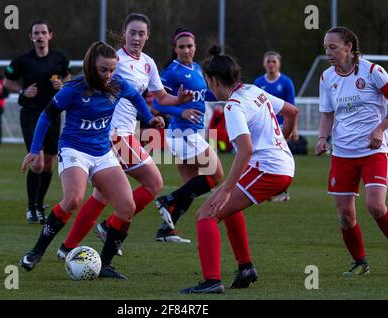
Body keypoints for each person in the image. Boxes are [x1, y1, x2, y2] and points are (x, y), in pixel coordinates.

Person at [19, 41, 165, 279]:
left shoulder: (117, 85)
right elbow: (46, 116)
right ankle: (36, 251)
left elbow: (137, 98)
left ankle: (104, 265)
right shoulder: (73, 88)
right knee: (73, 199)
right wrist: (35, 150)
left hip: (102, 152)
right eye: (103, 70)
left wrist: (149, 118)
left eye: (112, 70)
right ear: (90, 67)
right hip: (74, 149)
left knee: (126, 207)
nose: (109, 75)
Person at [57, 14, 194, 257]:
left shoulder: (148, 63)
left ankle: (67, 246)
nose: (137, 38)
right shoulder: (114, 60)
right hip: (114, 134)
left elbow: (161, 98)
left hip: (126, 133)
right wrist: (67, 86)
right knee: (154, 183)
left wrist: (179, 101)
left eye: (141, 33)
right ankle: (110, 226)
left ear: (148, 35)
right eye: (132, 32)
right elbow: (87, 79)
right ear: (124, 33)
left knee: (101, 194)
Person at [179, 45, 298, 294]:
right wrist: (284, 139)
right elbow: (292, 111)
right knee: (227, 209)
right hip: (278, 165)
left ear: (213, 80)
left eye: (207, 81)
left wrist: (227, 188)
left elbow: (245, 149)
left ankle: (211, 281)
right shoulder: (253, 90)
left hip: (269, 169)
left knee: (206, 214)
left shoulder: (233, 106)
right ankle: (245, 267)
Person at [315, 26, 388, 276]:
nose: (328, 52)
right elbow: (327, 114)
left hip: (373, 151)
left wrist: (380, 128)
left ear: (349, 47)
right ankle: (360, 262)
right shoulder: (326, 78)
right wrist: (322, 138)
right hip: (343, 153)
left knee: (376, 206)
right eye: (326, 47)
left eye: (332, 47)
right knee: (345, 216)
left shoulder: (372, 71)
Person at [151, 27, 224, 243]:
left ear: (195, 47)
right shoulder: (170, 73)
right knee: (217, 174)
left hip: (194, 132)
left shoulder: (197, 68)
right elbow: (156, 103)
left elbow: (203, 95)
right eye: (181, 47)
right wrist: (180, 111)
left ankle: (166, 230)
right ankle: (167, 200)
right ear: (175, 49)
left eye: (189, 46)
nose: (185, 50)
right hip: (182, 133)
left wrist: (225, 93)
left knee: (191, 187)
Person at [4, 20, 71, 224]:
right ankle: (31, 208)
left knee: (49, 163)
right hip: (32, 114)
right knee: (38, 162)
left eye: (43, 32)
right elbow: (7, 82)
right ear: (31, 36)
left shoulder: (60, 59)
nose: (40, 36)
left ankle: (39, 204)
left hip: (53, 113)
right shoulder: (21, 60)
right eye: (36, 33)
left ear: (50, 35)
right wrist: (22, 91)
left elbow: (69, 78)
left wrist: (62, 84)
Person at [254, 51, 297, 202]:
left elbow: (292, 107)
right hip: (263, 126)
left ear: (279, 63)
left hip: (281, 125)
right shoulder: (259, 82)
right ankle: (270, 189)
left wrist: (294, 128)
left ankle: (282, 191)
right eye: (268, 61)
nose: (271, 64)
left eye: (274, 61)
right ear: (264, 64)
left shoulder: (286, 82)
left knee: (280, 155)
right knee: (265, 155)